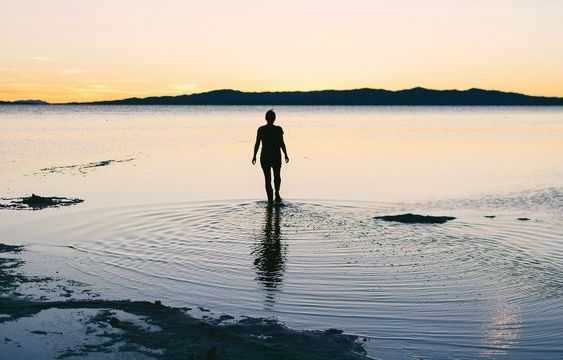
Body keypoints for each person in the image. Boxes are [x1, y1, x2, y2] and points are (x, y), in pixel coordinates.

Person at [252, 109, 289, 204]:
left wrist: (254, 156)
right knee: (277, 176)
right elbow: (281, 143)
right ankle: (276, 193)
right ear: (274, 118)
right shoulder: (278, 129)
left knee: (267, 179)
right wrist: (285, 154)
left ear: (266, 118)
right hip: (276, 156)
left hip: (265, 156)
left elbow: (257, 143)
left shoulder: (261, 129)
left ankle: (270, 200)